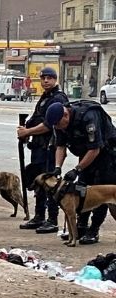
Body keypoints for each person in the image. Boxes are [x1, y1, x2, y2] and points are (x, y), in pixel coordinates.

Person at [45, 100, 116, 244]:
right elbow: (60, 146)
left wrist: (77, 169)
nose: (58, 128)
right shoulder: (59, 123)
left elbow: (95, 149)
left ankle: (93, 230)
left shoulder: (89, 116)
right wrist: (58, 166)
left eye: (59, 124)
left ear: (66, 115)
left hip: (107, 152)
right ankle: (80, 228)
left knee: (100, 191)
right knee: (82, 188)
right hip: (87, 153)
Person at [17, 67, 68, 234]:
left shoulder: (58, 98)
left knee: (50, 182)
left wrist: (28, 132)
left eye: (49, 78)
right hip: (39, 146)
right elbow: (36, 119)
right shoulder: (45, 98)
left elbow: (48, 125)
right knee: (39, 182)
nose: (46, 80)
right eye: (43, 78)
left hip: (50, 147)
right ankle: (39, 215)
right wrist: (25, 130)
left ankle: (52, 219)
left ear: (55, 80)